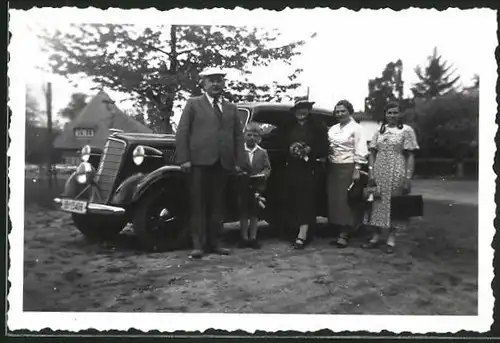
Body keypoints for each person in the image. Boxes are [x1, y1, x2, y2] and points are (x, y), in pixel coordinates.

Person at [175, 67, 246, 259]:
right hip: (199, 162)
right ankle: (198, 245)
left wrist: (239, 161)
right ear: (203, 84)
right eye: (211, 80)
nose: (215, 84)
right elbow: (182, 131)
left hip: (223, 163)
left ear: (223, 83)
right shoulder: (193, 104)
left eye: (219, 80)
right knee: (198, 204)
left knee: (218, 205)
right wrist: (184, 159)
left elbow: (238, 137)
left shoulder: (231, 108)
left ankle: (216, 242)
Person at [362, 101, 419, 254]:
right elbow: (372, 153)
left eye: (395, 112)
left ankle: (391, 239)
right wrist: (371, 172)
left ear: (400, 114)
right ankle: (375, 236)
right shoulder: (379, 131)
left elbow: (410, 155)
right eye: (389, 113)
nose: (392, 116)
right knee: (376, 203)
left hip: (397, 170)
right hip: (379, 171)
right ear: (385, 115)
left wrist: (408, 177)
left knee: (396, 205)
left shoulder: (406, 131)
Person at [284, 99, 330, 249]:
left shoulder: (317, 127)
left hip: (310, 168)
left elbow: (325, 147)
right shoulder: (290, 127)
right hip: (293, 167)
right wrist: (291, 150)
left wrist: (310, 150)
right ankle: (293, 231)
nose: (301, 113)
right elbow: (282, 144)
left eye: (304, 109)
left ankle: (303, 235)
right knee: (294, 199)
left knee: (306, 200)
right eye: (298, 109)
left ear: (309, 111)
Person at [327, 100, 369, 248]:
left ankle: (345, 233)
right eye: (337, 111)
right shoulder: (332, 129)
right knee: (336, 200)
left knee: (348, 200)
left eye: (343, 111)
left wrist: (357, 168)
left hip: (349, 166)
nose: (339, 114)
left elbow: (361, 148)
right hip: (333, 167)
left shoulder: (357, 128)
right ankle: (339, 229)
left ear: (349, 111)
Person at [237, 122, 272, 249]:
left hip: (257, 186)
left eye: (255, 135)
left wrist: (262, 176)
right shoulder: (240, 151)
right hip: (243, 185)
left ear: (258, 137)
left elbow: (267, 168)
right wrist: (239, 171)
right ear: (244, 135)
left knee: (254, 212)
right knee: (243, 212)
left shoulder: (262, 152)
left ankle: (253, 238)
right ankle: (244, 238)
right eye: (249, 134)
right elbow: (235, 165)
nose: (252, 138)